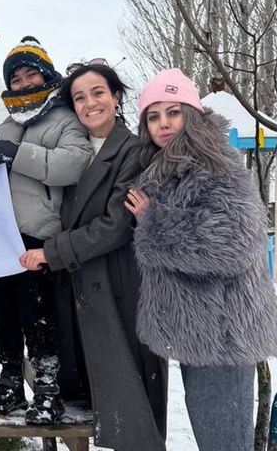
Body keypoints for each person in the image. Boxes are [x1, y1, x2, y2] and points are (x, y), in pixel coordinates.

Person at [124, 68, 277, 451]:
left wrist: (153, 222)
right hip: (202, 329)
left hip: (224, 333)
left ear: (192, 114)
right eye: (153, 116)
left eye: (173, 112)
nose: (163, 124)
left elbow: (233, 243)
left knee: (224, 443)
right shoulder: (171, 165)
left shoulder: (213, 163)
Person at [19, 62, 167, 450]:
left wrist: (51, 252)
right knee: (80, 404)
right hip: (73, 288)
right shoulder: (71, 151)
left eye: (98, 92)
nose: (90, 103)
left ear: (116, 97)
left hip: (116, 290)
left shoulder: (134, 151)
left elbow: (116, 226)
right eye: (79, 97)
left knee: (130, 409)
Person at [0, 36, 92, 424]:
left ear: (47, 75)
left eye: (30, 74)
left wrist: (17, 154)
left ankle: (48, 389)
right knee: (3, 315)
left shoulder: (66, 119)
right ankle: (9, 382)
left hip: (40, 237)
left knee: (38, 315)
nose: (23, 84)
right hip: (1, 238)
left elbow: (74, 163)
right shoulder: (5, 125)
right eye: (15, 79)